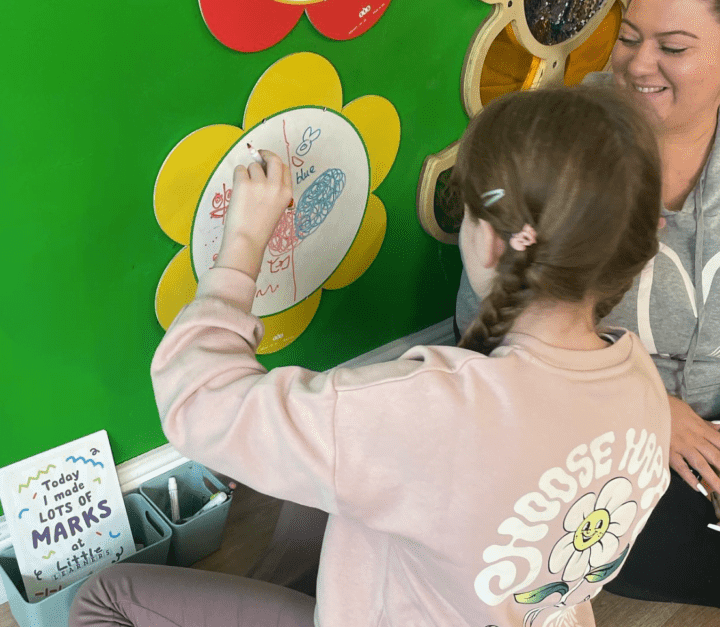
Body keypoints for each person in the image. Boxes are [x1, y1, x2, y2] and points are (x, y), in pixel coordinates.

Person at [71, 85, 670, 627]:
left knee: (107, 596)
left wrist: (245, 243)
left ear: (487, 239)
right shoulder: (643, 391)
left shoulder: (431, 413)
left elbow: (202, 403)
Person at [456, 0, 720, 607]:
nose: (637, 64)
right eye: (629, 37)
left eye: (673, 48)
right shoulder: (565, 141)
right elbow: (490, 326)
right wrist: (652, 410)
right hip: (592, 433)